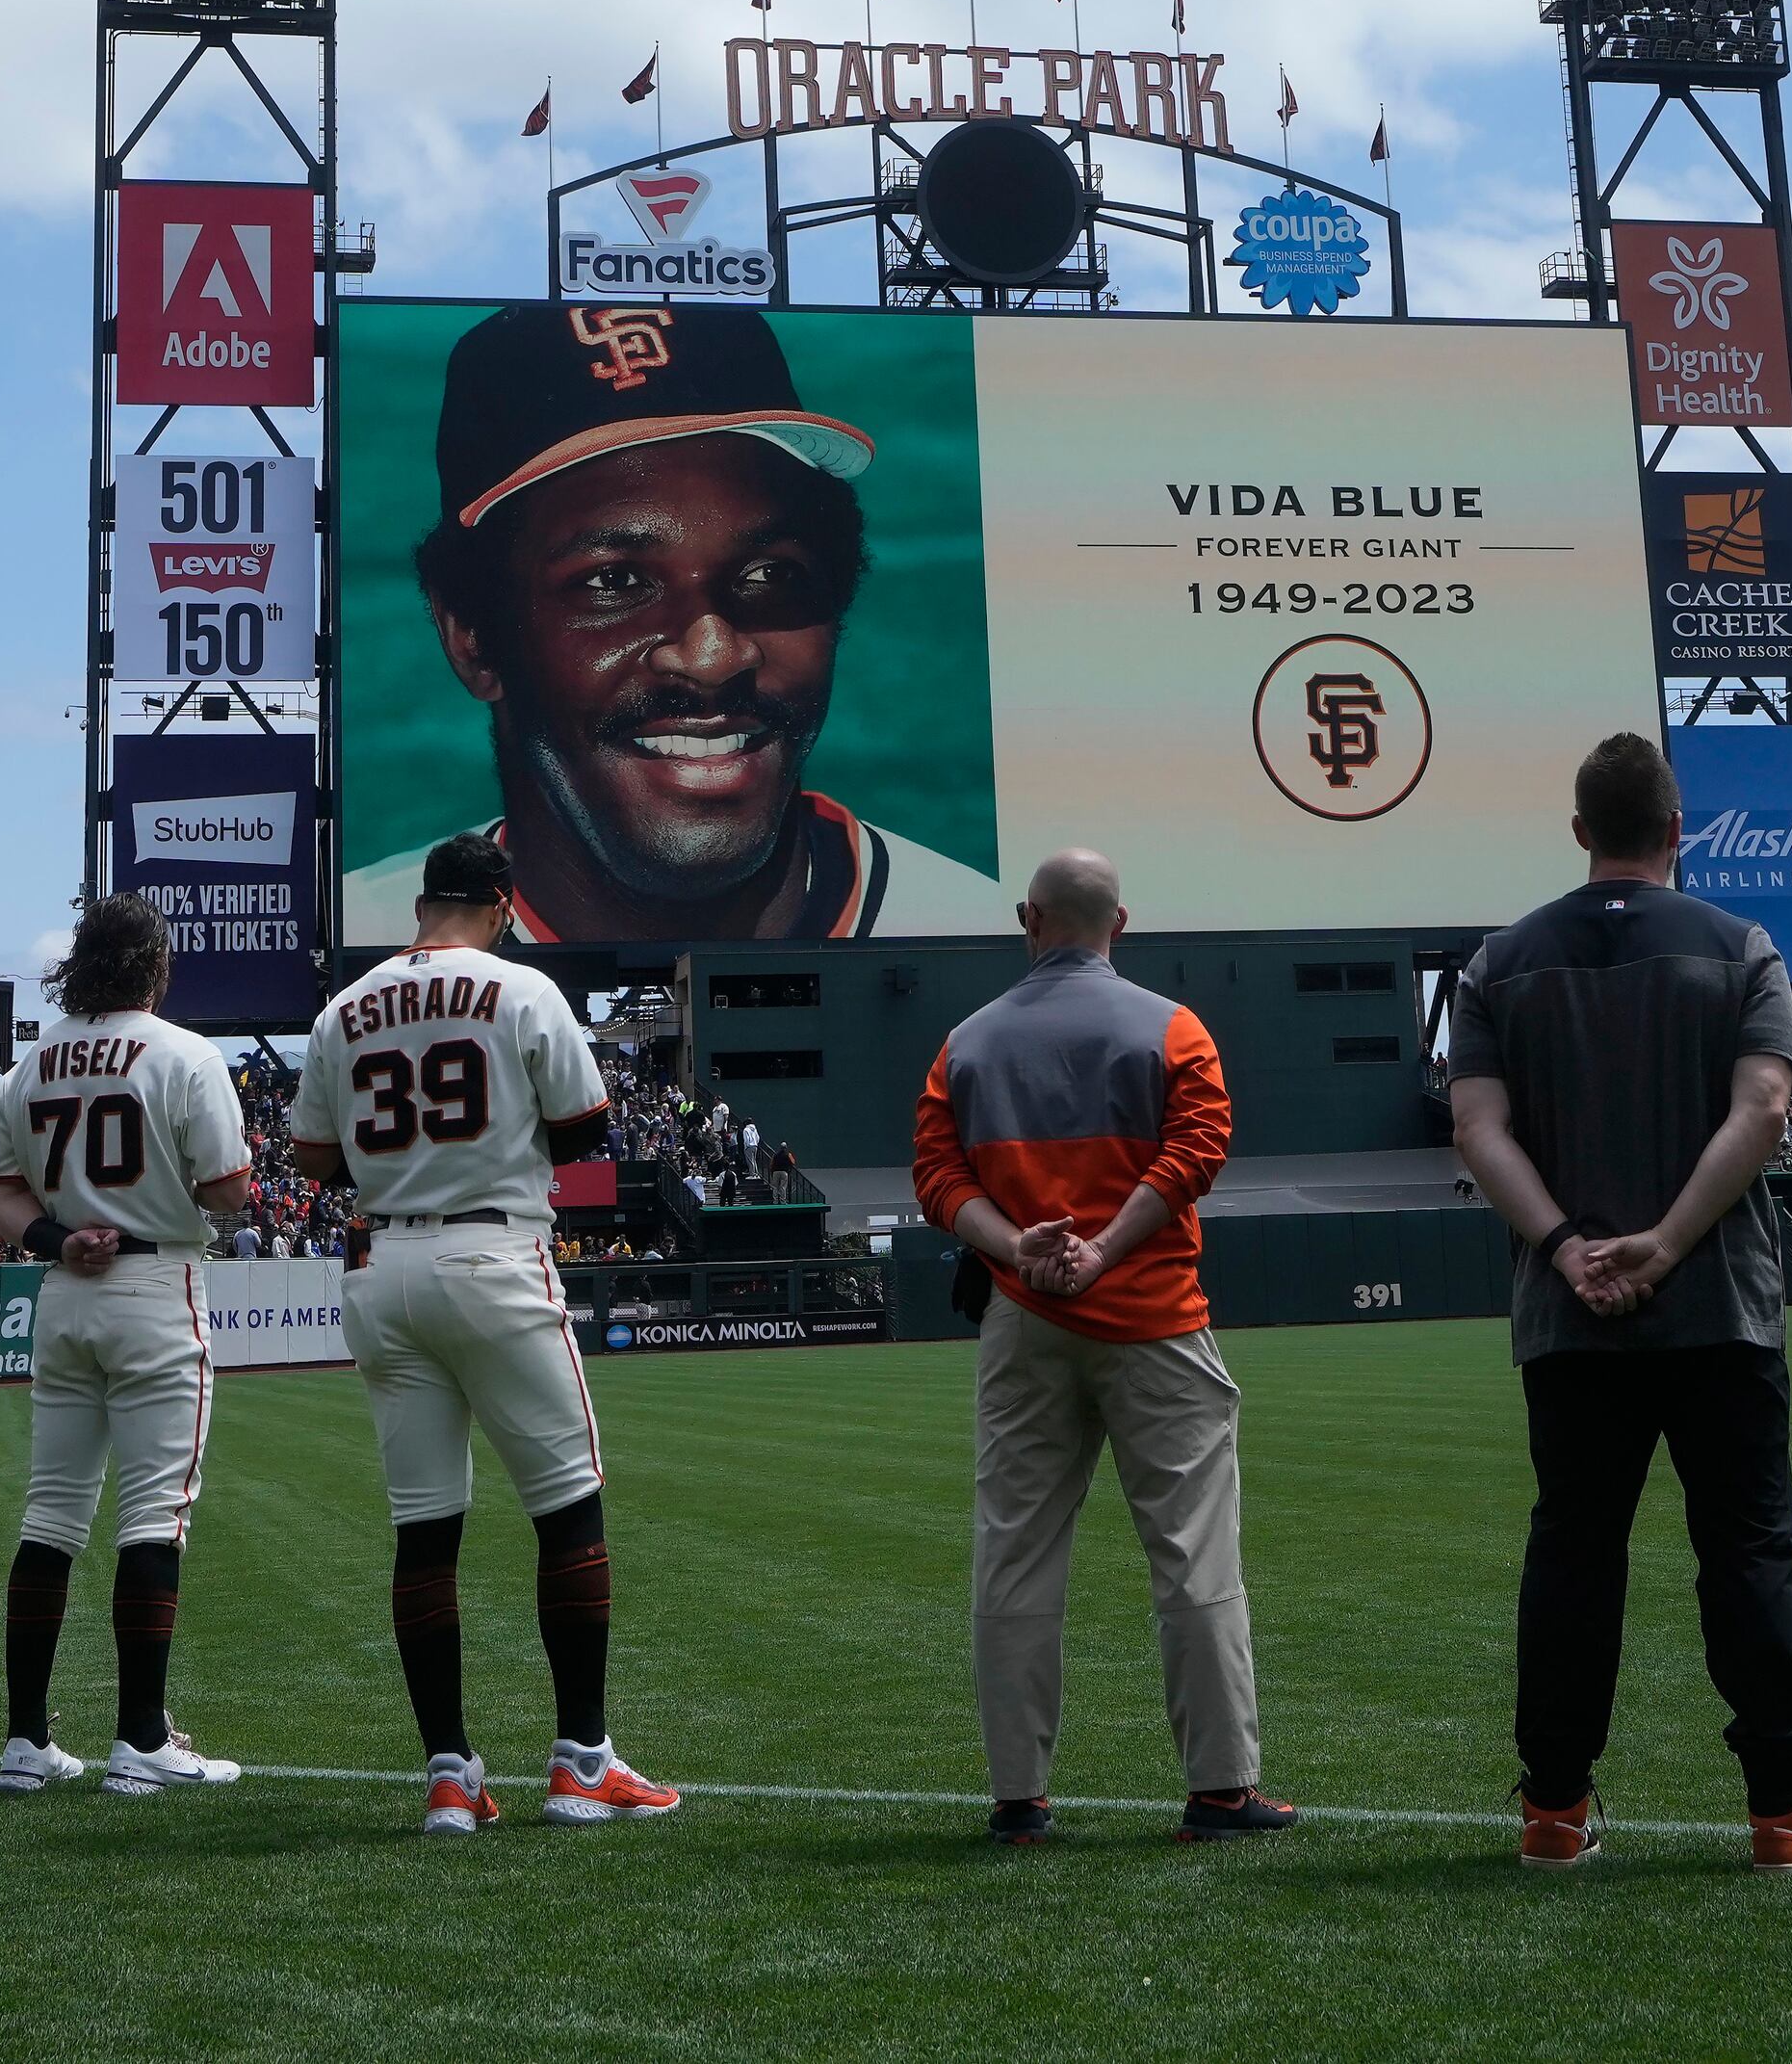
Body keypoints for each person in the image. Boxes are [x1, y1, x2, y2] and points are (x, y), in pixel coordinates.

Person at [1446, 734, 1792, 1873]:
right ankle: (1785, 1815)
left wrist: (1571, 1246)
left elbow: (1476, 1130)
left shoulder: (1495, 961)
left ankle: (1552, 1811)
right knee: (1745, 1552)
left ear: (1579, 832)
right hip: (1717, 1301)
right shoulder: (1739, 944)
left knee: (1573, 1555)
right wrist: (1668, 1242)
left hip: (1568, 1313)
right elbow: (1765, 1105)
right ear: (1676, 832)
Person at [335, 302, 1012, 946]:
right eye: (615, 581)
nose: (714, 654)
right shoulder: (359, 942)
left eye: (769, 574)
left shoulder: (989, 944)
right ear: (470, 636)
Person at [288, 831, 679, 1834]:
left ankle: (449, 1775)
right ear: (500, 902)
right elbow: (587, 1127)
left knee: (424, 1527)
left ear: (422, 903)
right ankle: (581, 1759)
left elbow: (313, 1158)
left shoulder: (345, 1006)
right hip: (493, 1253)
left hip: (383, 1266)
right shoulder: (517, 987)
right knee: (566, 1507)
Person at [908, 849, 1292, 1845]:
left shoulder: (964, 1044)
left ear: (1027, 918)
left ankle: (1017, 1798)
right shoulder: (1173, 1027)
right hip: (1153, 1315)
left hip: (1021, 1321)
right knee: (1193, 1555)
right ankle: (1219, 1789)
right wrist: (1102, 1248)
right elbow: (1198, 1149)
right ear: (1117, 923)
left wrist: (1018, 1250)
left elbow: (936, 1177)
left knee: (1014, 1553)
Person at [0, 892, 260, 1798]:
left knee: (50, 1514)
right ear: (154, 964)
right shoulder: (182, 1053)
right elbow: (228, 1192)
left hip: (65, 1290)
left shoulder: (30, 1064)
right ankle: (139, 1737)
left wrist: (57, 1240)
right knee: (153, 1516)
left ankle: (26, 1741)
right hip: (152, 1285)